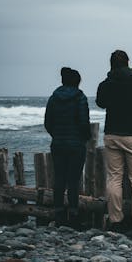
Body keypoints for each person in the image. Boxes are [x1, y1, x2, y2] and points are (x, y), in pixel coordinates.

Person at [96, 50, 132, 232]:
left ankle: (116, 220)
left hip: (112, 134)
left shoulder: (106, 83)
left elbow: (100, 102)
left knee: (114, 178)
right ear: (128, 63)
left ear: (111, 64)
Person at [44, 67, 91, 228]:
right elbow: (84, 124)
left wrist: (57, 135)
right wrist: (84, 138)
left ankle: (58, 214)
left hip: (58, 144)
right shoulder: (80, 98)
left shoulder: (53, 98)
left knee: (59, 178)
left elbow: (48, 123)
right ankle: (73, 215)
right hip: (76, 145)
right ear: (77, 82)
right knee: (73, 180)